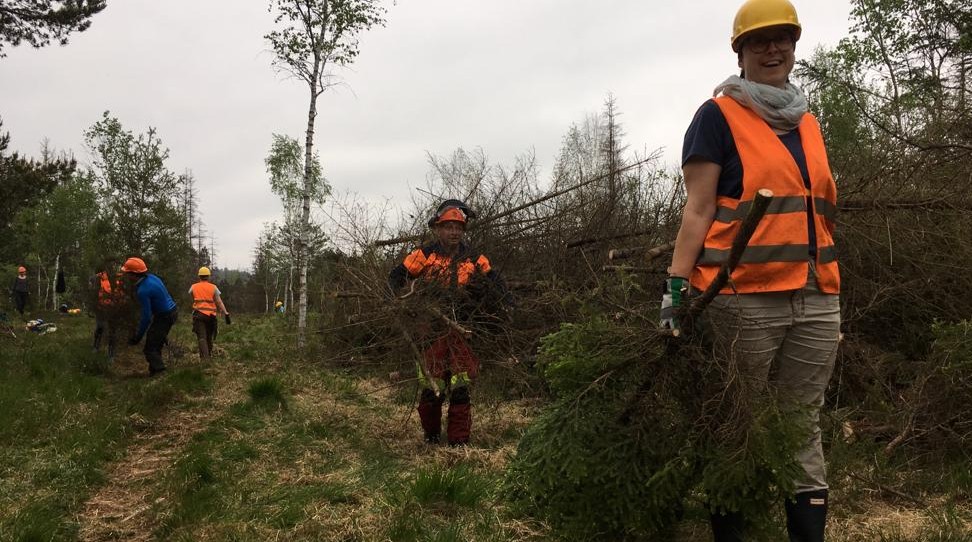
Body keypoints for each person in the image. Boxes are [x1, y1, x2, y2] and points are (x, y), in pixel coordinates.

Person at [661, 1, 840, 540]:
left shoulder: (808, 121)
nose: (772, 49)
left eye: (781, 38)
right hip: (743, 298)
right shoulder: (716, 116)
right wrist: (674, 289)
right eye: (758, 41)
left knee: (801, 423)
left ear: (794, 46)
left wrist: (826, 286)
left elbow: (819, 213)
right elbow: (698, 209)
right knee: (736, 421)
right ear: (739, 52)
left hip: (816, 295)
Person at [389, 199, 508, 447]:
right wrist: (400, 300)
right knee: (433, 389)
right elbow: (398, 275)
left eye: (458, 227)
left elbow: (494, 280)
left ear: (463, 231)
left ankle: (458, 442)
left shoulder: (474, 258)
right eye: (448, 227)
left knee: (461, 387)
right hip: (430, 331)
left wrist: (506, 302)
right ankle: (431, 437)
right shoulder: (425, 255)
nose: (453, 232)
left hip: (464, 329)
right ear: (437, 229)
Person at [122, 257, 178, 376]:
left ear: (133, 274)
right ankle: (153, 372)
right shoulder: (153, 278)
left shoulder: (143, 290)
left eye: (127, 274)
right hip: (171, 312)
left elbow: (146, 317)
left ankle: (160, 373)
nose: (126, 276)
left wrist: (138, 337)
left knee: (149, 349)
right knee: (155, 343)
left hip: (164, 316)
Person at [188, 266, 230, 360]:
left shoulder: (193, 287)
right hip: (211, 316)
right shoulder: (213, 287)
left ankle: (205, 360)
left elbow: (192, 296)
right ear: (208, 276)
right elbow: (219, 302)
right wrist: (226, 313)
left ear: (199, 276)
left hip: (198, 315)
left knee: (201, 337)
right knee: (209, 337)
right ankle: (209, 356)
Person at [89, 262, 120, 359]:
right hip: (101, 308)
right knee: (100, 327)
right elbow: (92, 292)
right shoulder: (95, 278)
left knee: (112, 331)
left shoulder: (117, 279)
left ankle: (111, 354)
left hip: (112, 309)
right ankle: (96, 347)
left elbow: (119, 293)